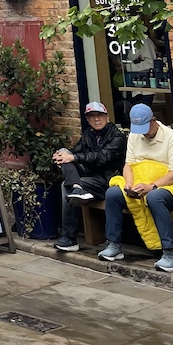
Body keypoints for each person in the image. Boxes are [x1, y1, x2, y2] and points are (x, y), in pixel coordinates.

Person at [98, 102, 173, 272]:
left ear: (154, 120)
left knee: (154, 197)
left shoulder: (170, 137)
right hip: (139, 182)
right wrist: (129, 183)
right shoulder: (135, 135)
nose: (143, 133)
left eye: (145, 128)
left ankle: (169, 253)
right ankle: (113, 244)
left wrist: (152, 186)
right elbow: (129, 165)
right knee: (113, 193)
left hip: (167, 185)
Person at [53, 100, 126, 252]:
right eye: (92, 116)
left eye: (99, 115)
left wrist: (73, 158)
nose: (96, 119)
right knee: (64, 152)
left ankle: (69, 238)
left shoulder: (117, 136)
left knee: (66, 184)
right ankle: (77, 187)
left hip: (108, 181)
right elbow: (75, 152)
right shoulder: (88, 135)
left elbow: (103, 157)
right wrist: (61, 156)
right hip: (90, 178)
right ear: (87, 119)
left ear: (107, 117)